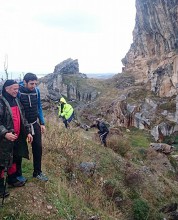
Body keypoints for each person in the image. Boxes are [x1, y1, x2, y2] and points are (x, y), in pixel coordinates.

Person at [0, 80, 33, 198]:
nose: (16, 91)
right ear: (7, 89)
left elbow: (23, 118)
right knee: (2, 163)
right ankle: (0, 187)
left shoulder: (16, 101)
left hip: (17, 138)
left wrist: (28, 132)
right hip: (3, 141)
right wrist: (4, 133)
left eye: (17, 89)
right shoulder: (1, 102)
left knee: (15, 158)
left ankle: (12, 179)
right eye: (14, 89)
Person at [18, 73, 48, 182]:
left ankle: (37, 172)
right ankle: (17, 174)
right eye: (31, 83)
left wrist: (42, 123)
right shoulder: (19, 92)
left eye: (35, 83)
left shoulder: (37, 91)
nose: (34, 86)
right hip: (22, 125)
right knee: (20, 149)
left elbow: (39, 106)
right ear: (24, 82)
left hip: (34, 123)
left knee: (38, 148)